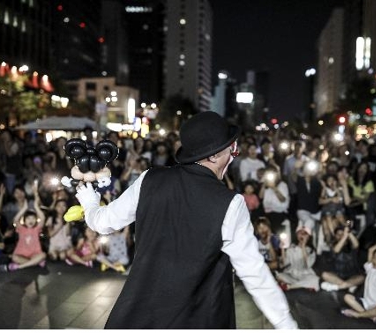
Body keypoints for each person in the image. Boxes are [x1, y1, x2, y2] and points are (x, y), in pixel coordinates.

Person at [75, 111, 297, 329]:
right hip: (198, 318)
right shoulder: (231, 203)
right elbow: (255, 274)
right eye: (232, 149)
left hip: (141, 315)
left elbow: (101, 223)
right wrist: (287, 325)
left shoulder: (149, 179)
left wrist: (89, 200)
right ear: (213, 155)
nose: (233, 155)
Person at [7, 184, 47, 271]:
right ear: (24, 221)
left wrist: (36, 207)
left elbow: (43, 217)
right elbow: (15, 219)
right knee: (14, 257)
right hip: (22, 254)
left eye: (33, 218)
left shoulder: (37, 229)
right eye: (28, 218)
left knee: (43, 255)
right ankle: (35, 263)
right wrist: (24, 209)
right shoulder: (21, 229)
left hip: (34, 254)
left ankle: (20, 266)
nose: (31, 220)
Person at [320, 225, 365, 293]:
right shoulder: (333, 245)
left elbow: (356, 244)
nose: (341, 236)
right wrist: (344, 236)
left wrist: (349, 233)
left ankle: (338, 287)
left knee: (362, 277)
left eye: (342, 234)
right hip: (337, 275)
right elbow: (336, 250)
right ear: (335, 236)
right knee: (324, 274)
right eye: (338, 234)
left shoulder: (351, 246)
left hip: (352, 275)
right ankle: (349, 286)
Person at [275, 225, 320, 291]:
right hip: (292, 274)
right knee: (280, 276)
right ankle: (302, 285)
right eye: (300, 233)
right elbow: (284, 264)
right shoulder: (291, 248)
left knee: (315, 279)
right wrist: (282, 249)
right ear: (296, 235)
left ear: (309, 237)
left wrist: (303, 246)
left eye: (305, 233)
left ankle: (289, 287)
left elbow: (308, 264)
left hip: (305, 274)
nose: (302, 235)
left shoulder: (311, 250)